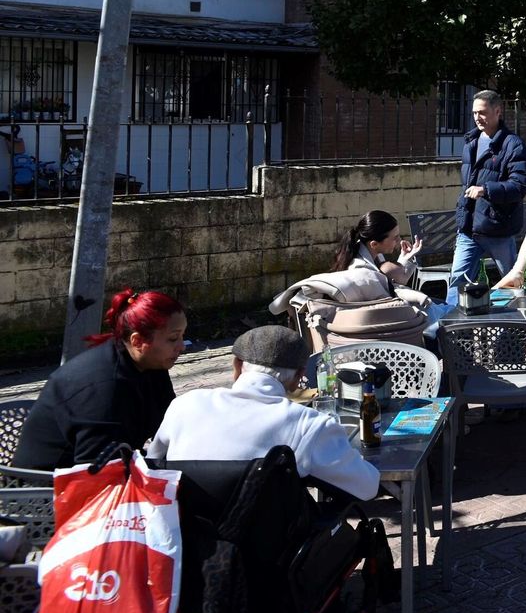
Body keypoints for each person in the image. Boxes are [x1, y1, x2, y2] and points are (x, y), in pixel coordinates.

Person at [146, 326, 379, 500]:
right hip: (269, 557)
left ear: (237, 366)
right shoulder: (309, 425)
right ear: (299, 377)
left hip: (186, 547)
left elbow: (153, 465)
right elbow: (367, 487)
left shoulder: (184, 405)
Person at [16, 289, 185, 470]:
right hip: (45, 488)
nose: (182, 346)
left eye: (183, 336)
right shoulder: (105, 387)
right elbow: (100, 471)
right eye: (173, 338)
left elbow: (169, 428)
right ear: (137, 341)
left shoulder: (151, 364)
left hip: (102, 471)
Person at [448, 90, 526, 309]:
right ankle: (445, 326)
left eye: (483, 112)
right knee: (457, 280)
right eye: (475, 113)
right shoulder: (471, 141)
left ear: (497, 111)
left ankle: (516, 325)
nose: (478, 117)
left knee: (513, 281)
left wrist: (486, 189)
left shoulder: (513, 145)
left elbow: (520, 186)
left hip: (498, 229)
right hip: (468, 228)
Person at [334, 210, 426, 290]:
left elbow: (394, 276)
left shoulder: (372, 252)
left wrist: (405, 258)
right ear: (374, 244)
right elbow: (387, 294)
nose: (399, 240)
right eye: (395, 237)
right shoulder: (363, 271)